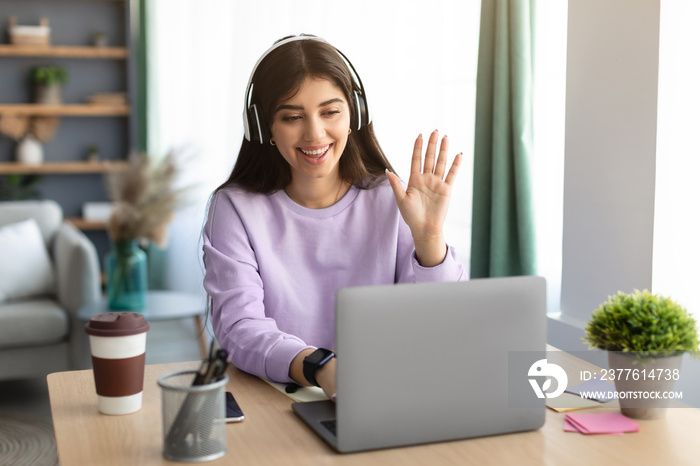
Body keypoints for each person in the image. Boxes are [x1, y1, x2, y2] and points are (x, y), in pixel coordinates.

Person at [202, 35, 465, 400]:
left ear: (354, 113)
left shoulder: (392, 199)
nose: (315, 133)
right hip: (277, 399)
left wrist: (429, 238)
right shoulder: (235, 209)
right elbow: (239, 328)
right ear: (264, 128)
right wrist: (321, 367)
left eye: (330, 112)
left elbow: (436, 325)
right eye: (292, 117)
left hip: (384, 394)